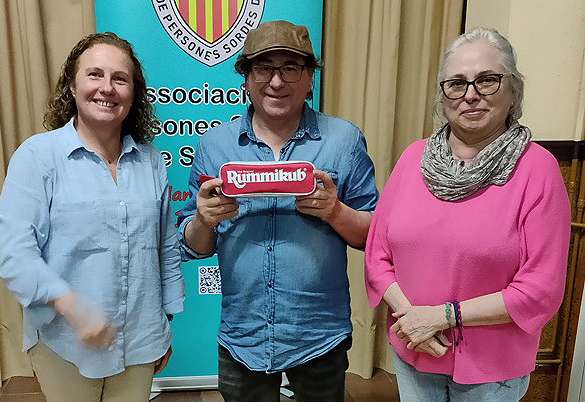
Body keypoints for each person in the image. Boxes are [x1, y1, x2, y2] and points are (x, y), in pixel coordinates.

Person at [364, 27, 571, 401]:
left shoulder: (538, 170)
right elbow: (377, 257)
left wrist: (441, 317)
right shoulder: (412, 159)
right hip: (414, 350)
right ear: (443, 95)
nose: (471, 94)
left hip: (492, 371)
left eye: (487, 80)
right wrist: (414, 320)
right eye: (457, 83)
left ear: (513, 89)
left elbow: (540, 289)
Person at [177, 20, 379, 402]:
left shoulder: (344, 140)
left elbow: (374, 236)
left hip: (320, 334)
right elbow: (194, 246)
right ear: (246, 77)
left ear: (310, 78)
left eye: (290, 68)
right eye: (264, 68)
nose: (276, 81)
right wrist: (203, 220)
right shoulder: (214, 145)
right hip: (243, 335)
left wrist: (335, 211)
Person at [0, 32, 185, 402]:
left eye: (120, 78)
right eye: (95, 74)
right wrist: (73, 307)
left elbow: (165, 247)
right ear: (72, 85)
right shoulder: (37, 156)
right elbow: (14, 253)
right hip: (65, 341)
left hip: (141, 339)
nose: (107, 88)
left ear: (134, 93)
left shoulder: (151, 162)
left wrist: (164, 323)